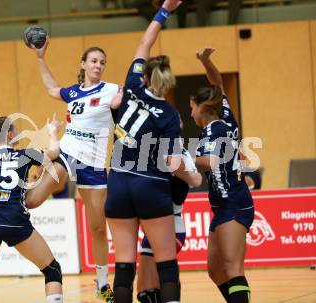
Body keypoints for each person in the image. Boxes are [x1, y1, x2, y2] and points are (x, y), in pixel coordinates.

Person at [25, 38, 121, 302]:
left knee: (98, 228)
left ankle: (102, 283)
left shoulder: (112, 89)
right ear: (84, 64)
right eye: (93, 61)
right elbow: (52, 89)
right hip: (68, 154)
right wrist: (40, 58)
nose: (98, 65)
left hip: (94, 165)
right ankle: (10, 202)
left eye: (102, 62)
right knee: (32, 201)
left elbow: (132, 96)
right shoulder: (74, 92)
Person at [104, 0, 185, 302]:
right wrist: (187, 173)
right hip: (149, 184)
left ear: (146, 77)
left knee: (124, 266)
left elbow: (143, 43)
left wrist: (165, 9)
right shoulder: (169, 115)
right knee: (165, 263)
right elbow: (172, 162)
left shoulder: (132, 85)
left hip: (119, 183)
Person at [0, 114, 64, 303]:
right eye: (15, 131)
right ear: (9, 136)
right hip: (13, 221)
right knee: (52, 269)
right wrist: (52, 132)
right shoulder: (25, 154)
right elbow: (54, 152)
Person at [190, 47, 254, 303]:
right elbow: (217, 83)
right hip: (222, 206)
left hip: (234, 204)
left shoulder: (216, 130)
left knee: (232, 269)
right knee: (216, 271)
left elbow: (210, 162)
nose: (191, 112)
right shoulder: (224, 115)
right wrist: (206, 61)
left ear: (203, 108)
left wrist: (180, 158)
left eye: (192, 107)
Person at [136, 148, 202, 303]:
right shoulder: (145, 151)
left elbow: (181, 194)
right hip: (151, 231)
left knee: (153, 290)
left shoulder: (182, 155)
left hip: (171, 227)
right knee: (146, 292)